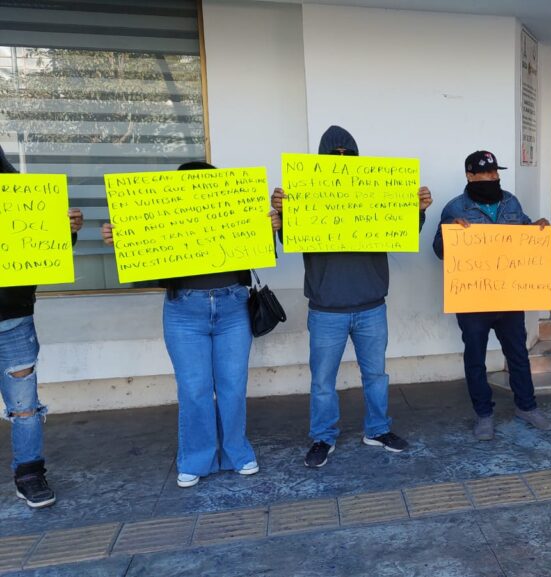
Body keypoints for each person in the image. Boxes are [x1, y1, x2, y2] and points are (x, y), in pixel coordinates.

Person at [102, 161, 280, 488]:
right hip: (184, 310)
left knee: (233, 386)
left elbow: (258, 253)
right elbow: (145, 261)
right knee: (194, 388)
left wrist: (266, 228)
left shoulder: (230, 213)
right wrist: (124, 240)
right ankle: (196, 458)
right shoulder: (168, 218)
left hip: (232, 305)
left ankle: (237, 453)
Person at [271, 125, 433, 467]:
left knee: (376, 375)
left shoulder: (374, 191)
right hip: (326, 309)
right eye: (334, 156)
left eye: (348, 155)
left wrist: (417, 210)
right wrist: (284, 216)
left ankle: (377, 429)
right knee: (322, 381)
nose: (342, 161)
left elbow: (401, 232)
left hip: (371, 305)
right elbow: (289, 239)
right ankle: (323, 437)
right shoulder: (305, 195)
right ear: (319, 161)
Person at [432, 150, 551, 441]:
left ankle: (527, 407)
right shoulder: (454, 208)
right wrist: (450, 232)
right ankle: (483, 415)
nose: (494, 178)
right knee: (475, 357)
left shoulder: (511, 202)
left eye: (496, 172)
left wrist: (538, 227)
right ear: (470, 176)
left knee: (518, 354)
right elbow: (439, 251)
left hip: (510, 297)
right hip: (474, 300)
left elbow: (525, 232)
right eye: (487, 173)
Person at [0, 145, 83, 507]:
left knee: (25, 408)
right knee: (25, 408)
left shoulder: (22, 200)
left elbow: (48, 250)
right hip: (16, 320)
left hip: (13, 322)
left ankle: (30, 474)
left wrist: (68, 231)